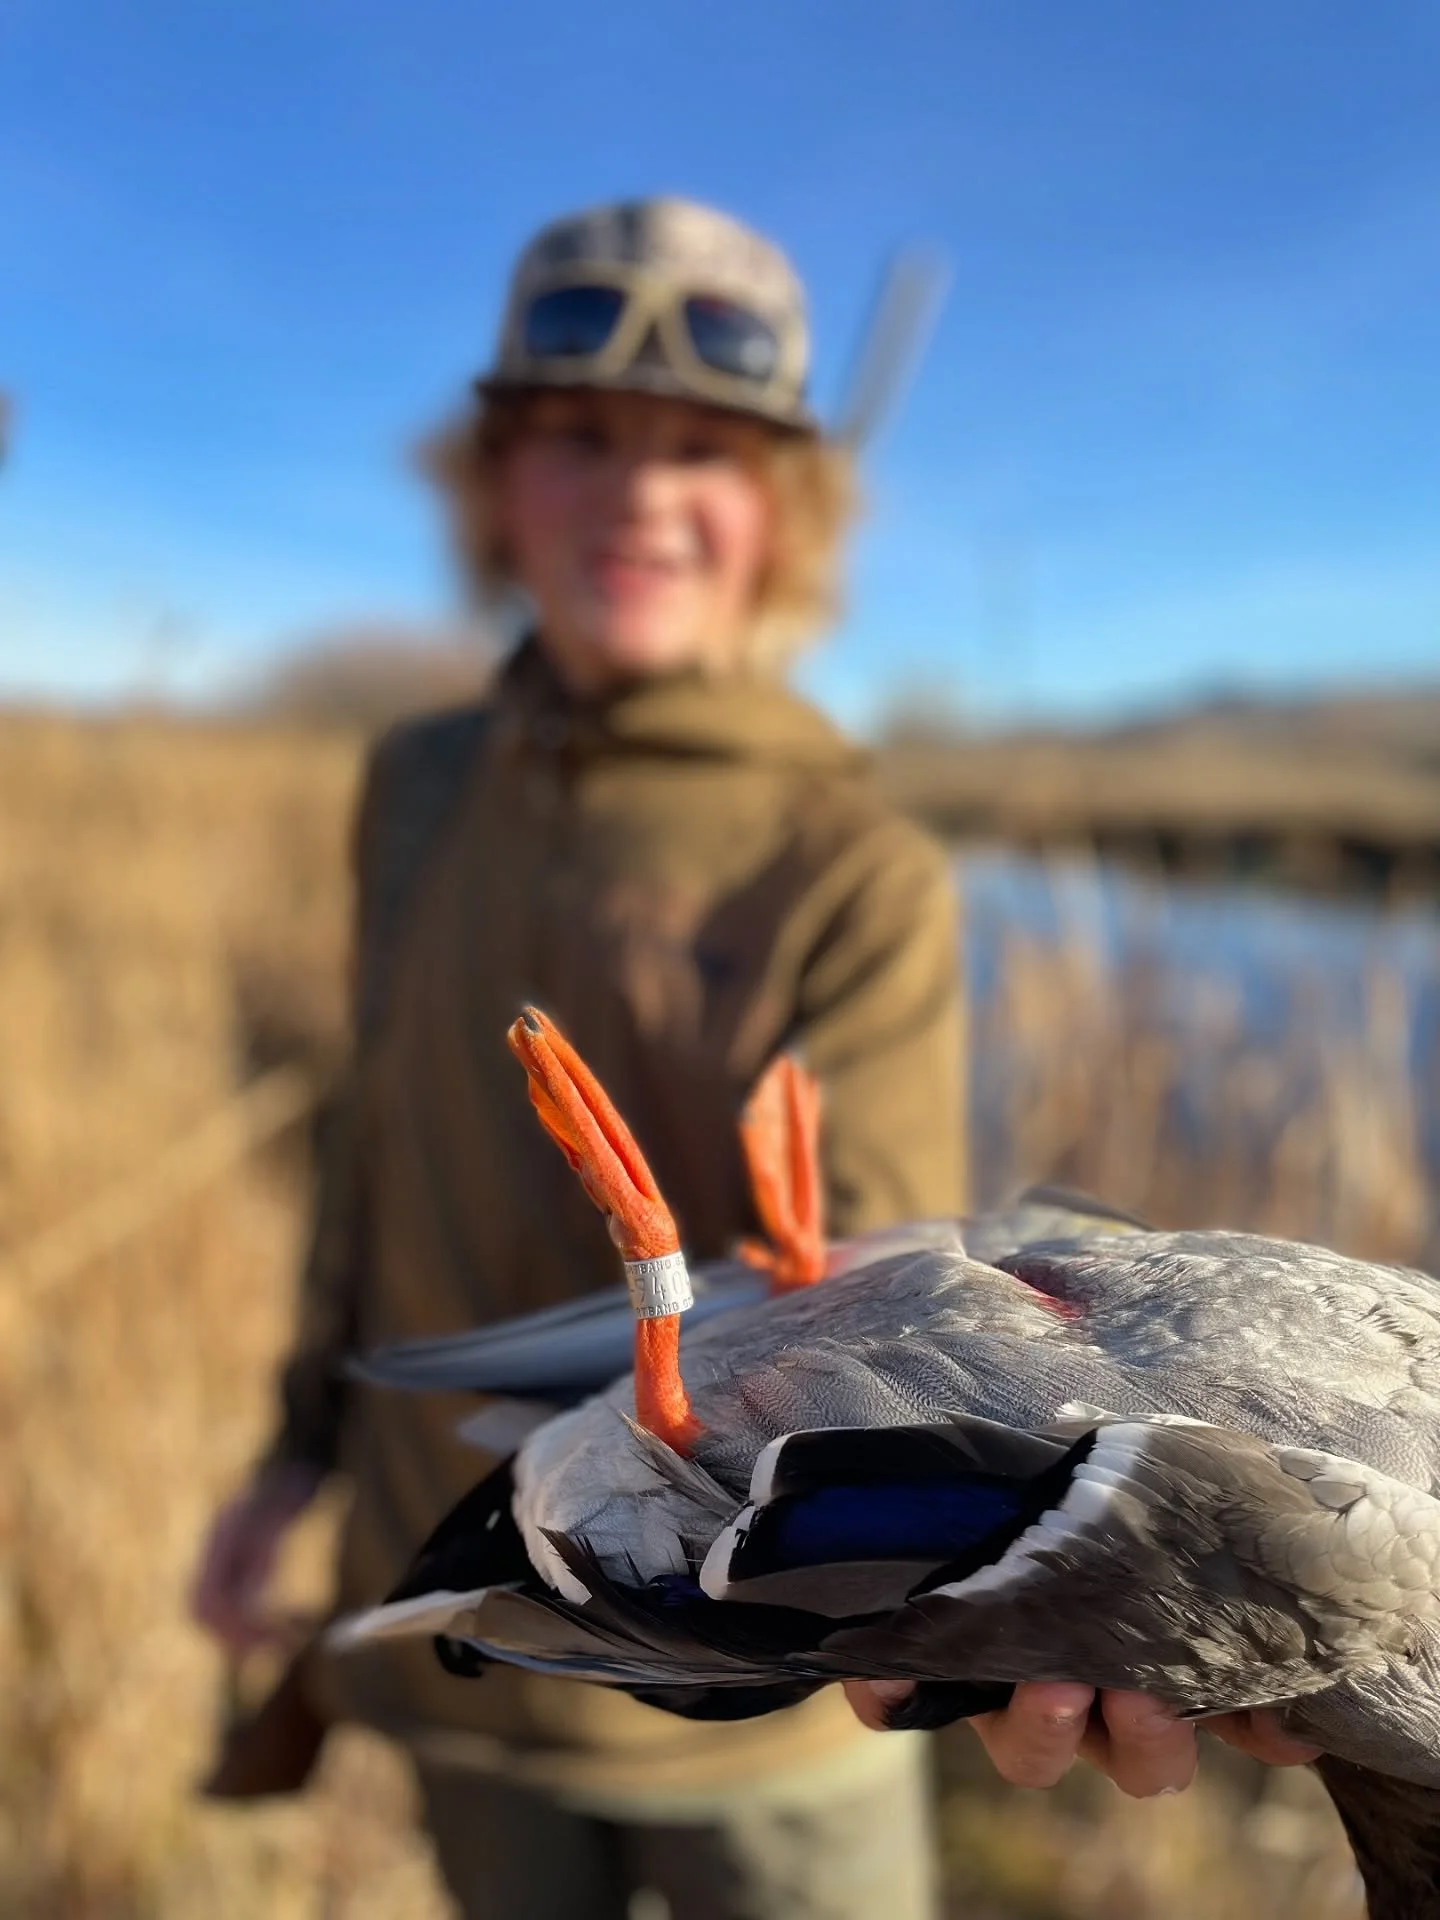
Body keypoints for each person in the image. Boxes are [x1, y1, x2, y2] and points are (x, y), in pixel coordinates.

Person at [194, 196, 964, 1920]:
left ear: (786, 518)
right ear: (492, 483)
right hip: (461, 1628)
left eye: (707, 452)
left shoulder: (857, 868)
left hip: (755, 1714)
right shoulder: (417, 785)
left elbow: (889, 1327)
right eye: (582, 441)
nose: (641, 491)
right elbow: (368, 1154)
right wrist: (295, 1451)